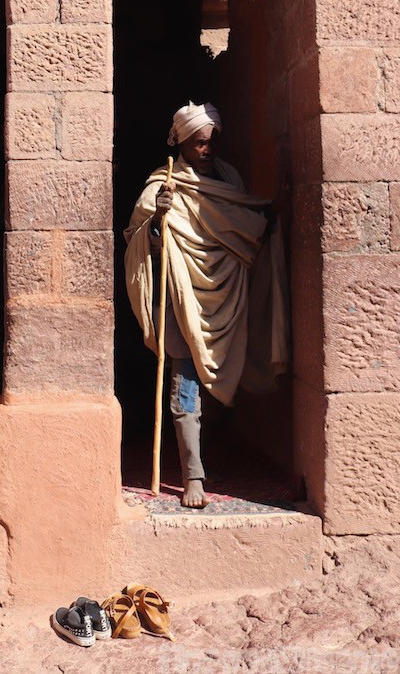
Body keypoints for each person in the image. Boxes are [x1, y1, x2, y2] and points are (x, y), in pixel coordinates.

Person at [125, 102, 289, 508]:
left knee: (219, 391)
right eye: (199, 143)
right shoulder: (162, 185)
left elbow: (247, 227)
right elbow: (138, 241)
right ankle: (192, 476)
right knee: (186, 388)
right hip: (183, 301)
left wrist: (275, 209)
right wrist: (157, 221)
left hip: (227, 298)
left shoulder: (229, 179)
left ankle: (204, 459)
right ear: (181, 142)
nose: (206, 149)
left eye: (212, 141)